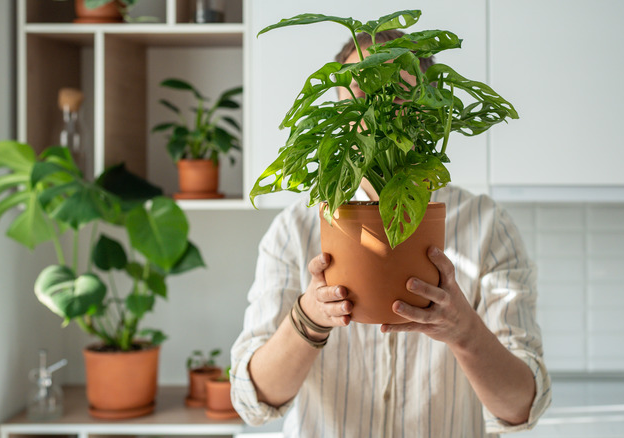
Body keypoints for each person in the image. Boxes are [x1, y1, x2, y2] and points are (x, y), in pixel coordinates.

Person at [230, 30, 551, 437]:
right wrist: (310, 318)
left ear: (431, 108)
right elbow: (252, 400)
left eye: (397, 94)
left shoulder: (487, 226)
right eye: (359, 94)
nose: (376, 112)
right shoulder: (295, 229)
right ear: (337, 109)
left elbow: (523, 407)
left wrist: (463, 330)